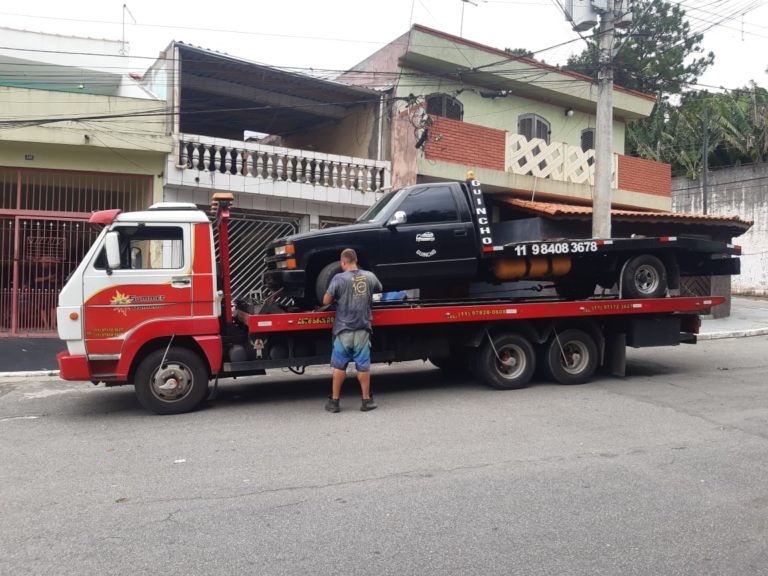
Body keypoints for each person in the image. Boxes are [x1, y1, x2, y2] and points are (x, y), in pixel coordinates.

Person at [323, 248, 382, 413]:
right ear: (356, 261)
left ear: (343, 262)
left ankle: (334, 402)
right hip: (362, 328)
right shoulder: (369, 276)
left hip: (343, 330)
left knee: (339, 366)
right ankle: (366, 401)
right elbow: (379, 289)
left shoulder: (338, 278)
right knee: (363, 366)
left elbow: (326, 300)